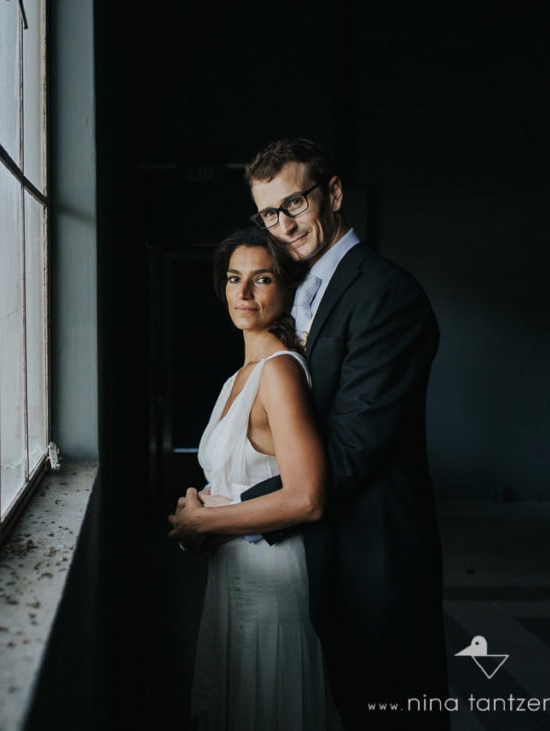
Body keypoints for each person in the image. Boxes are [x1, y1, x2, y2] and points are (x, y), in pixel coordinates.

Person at [245, 137, 450, 730]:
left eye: (295, 204)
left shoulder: (387, 295)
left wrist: (239, 511)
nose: (283, 227)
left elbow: (355, 450)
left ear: (332, 194)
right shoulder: (291, 296)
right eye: (268, 214)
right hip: (314, 553)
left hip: (375, 555)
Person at [167, 228, 344, 731]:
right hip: (234, 576)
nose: (242, 294)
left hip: (273, 584)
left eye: (260, 279)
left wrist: (208, 522)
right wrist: (199, 516)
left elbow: (308, 497)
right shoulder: (239, 376)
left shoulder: (281, 372)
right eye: (233, 279)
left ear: (286, 288)